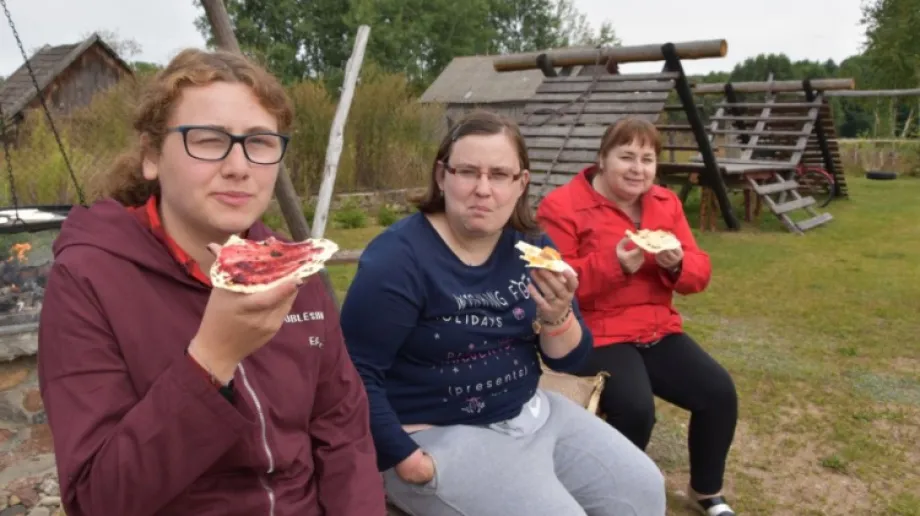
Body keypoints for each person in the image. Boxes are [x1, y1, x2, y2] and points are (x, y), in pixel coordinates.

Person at [36, 48, 386, 516]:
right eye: (207, 140)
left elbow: (343, 435)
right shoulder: (89, 279)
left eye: (260, 142)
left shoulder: (292, 267)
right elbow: (97, 500)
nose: (239, 166)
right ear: (151, 156)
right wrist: (210, 360)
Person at [340, 110, 667, 516]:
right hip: (438, 433)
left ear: (521, 183)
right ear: (442, 176)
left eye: (498, 174)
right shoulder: (397, 260)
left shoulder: (532, 246)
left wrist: (558, 315)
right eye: (467, 172)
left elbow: (570, 360)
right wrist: (406, 459)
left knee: (643, 490)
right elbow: (353, 371)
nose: (483, 189)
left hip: (531, 412)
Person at [536, 117, 739, 516]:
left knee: (718, 393)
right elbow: (552, 281)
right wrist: (613, 266)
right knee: (635, 409)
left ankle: (705, 491)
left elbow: (699, 273)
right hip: (594, 332)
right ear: (602, 158)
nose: (637, 169)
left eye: (647, 159)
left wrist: (677, 265)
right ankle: (609, 497)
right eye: (626, 157)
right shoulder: (561, 206)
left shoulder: (665, 203)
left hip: (656, 328)